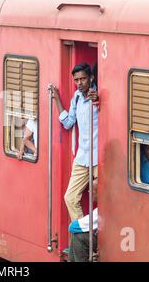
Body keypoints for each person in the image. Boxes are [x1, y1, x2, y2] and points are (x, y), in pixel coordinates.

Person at [51, 62, 99, 221]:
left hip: (99, 159)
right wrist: (57, 99)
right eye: (76, 80)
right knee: (70, 198)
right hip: (82, 157)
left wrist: (99, 101)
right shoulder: (77, 98)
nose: (79, 83)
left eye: (83, 79)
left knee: (103, 200)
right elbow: (68, 123)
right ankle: (83, 237)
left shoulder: (98, 95)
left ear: (91, 78)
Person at [68, 178, 98, 262]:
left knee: (78, 237)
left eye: (92, 190)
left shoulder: (102, 210)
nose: (89, 192)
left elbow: (73, 227)